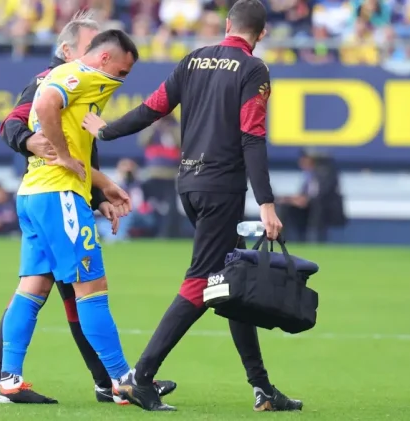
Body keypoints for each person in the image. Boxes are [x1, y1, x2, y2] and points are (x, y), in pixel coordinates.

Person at [81, 0, 302, 412]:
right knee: (205, 280)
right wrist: (267, 204)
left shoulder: (194, 60)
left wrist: (107, 131)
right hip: (222, 188)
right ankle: (140, 378)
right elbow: (252, 137)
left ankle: (262, 388)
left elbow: (153, 109)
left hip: (190, 184)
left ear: (226, 24)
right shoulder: (254, 70)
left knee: (232, 280)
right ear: (263, 33)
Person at [0, 12, 176, 404]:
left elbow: (46, 113)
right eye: (121, 70)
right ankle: (121, 379)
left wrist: (102, 185)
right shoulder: (82, 75)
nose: (121, 79)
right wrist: (66, 157)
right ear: (100, 57)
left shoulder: (53, 76)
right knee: (92, 288)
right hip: (59, 196)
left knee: (31, 288)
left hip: (33, 193)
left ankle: (6, 379)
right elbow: (47, 104)